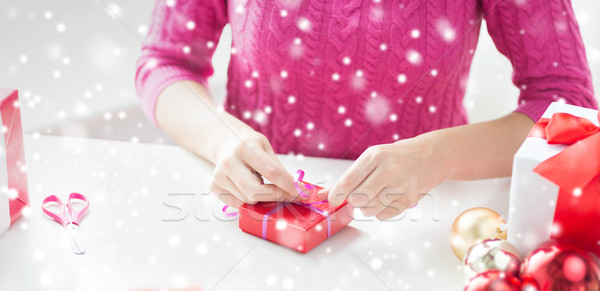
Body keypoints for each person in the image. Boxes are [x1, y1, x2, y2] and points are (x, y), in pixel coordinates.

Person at [136, 0, 596, 220]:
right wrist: (222, 139)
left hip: (423, 217)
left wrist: (440, 156)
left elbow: (568, 106)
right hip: (250, 215)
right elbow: (164, 61)